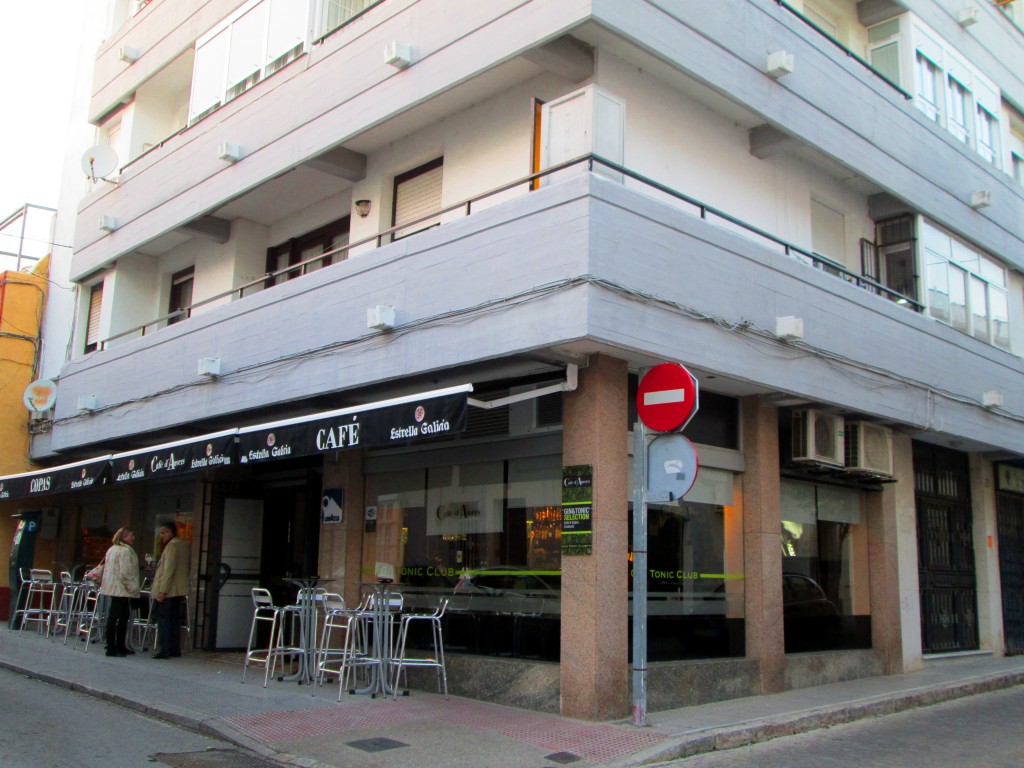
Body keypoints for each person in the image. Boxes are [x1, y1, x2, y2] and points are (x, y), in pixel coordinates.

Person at [150, 521, 190, 659]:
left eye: (163, 533)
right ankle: (175, 648)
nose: (161, 536)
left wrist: (162, 590)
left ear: (170, 532)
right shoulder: (183, 545)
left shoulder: (172, 546)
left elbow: (168, 570)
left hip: (169, 590)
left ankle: (164, 649)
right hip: (178, 590)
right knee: (174, 619)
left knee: (164, 620)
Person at [99, 527, 141, 657]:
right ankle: (116, 647)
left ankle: (113, 646)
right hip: (122, 589)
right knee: (122, 618)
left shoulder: (111, 549)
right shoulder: (125, 551)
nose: (133, 537)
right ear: (124, 537)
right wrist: (133, 588)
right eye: (130, 535)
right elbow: (125, 572)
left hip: (112, 587)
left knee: (114, 617)